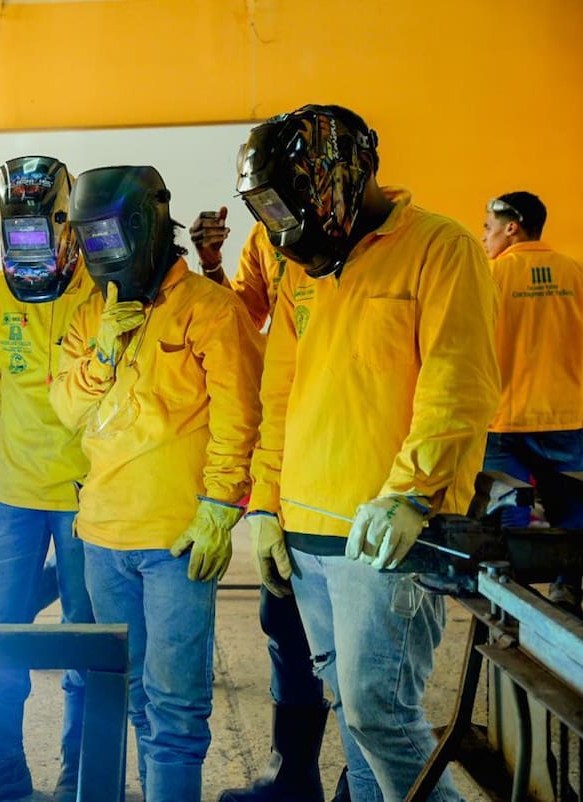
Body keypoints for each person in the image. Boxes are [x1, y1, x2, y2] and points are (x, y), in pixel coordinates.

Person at [238, 104, 499, 802]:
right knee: (349, 711)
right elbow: (280, 393)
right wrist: (266, 504)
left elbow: (458, 384)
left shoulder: (441, 249)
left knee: (380, 715)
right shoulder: (303, 268)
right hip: (307, 529)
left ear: (340, 180)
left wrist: (410, 492)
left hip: (389, 535)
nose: (282, 228)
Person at [50, 165, 263, 802]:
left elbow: (240, 417)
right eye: (90, 239)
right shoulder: (90, 315)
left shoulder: (210, 309)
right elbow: (66, 408)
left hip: (177, 540)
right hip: (102, 537)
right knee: (134, 697)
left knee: (174, 708)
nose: (100, 254)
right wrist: (102, 355)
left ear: (146, 226)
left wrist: (220, 506)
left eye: (108, 237)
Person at [0, 156, 95, 802]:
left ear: (66, 224)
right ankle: (3, 764)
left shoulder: (101, 288)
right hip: (12, 493)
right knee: (1, 632)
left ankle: (80, 774)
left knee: (85, 642)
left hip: (89, 495)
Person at [189, 212, 345, 802]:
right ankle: (293, 776)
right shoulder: (265, 239)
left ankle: (366, 781)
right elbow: (246, 317)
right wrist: (211, 265)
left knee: (356, 643)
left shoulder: (370, 239)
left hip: (350, 447)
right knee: (284, 619)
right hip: (288, 443)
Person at [480, 191, 583, 611]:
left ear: (512, 227)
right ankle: (567, 588)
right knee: (572, 513)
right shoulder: (575, 272)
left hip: (506, 418)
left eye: (488, 227)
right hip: (568, 417)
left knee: (509, 510)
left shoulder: (490, 276)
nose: (483, 236)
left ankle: (510, 597)